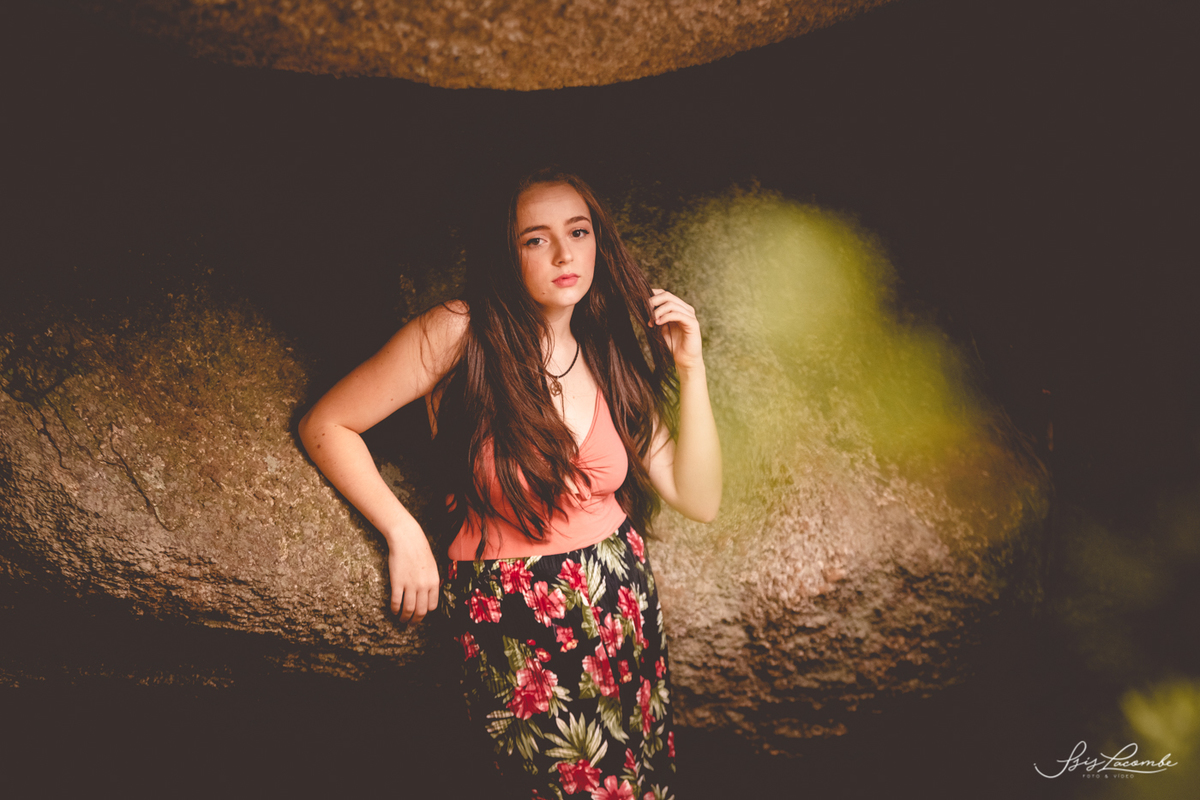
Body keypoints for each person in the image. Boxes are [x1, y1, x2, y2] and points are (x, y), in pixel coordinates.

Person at [299, 168, 721, 798]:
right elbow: (327, 424)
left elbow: (700, 498)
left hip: (623, 603)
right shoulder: (459, 333)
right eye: (535, 239)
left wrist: (692, 368)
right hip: (517, 622)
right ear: (505, 251)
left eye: (578, 232)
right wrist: (402, 531)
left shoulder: (603, 348)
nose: (564, 254)